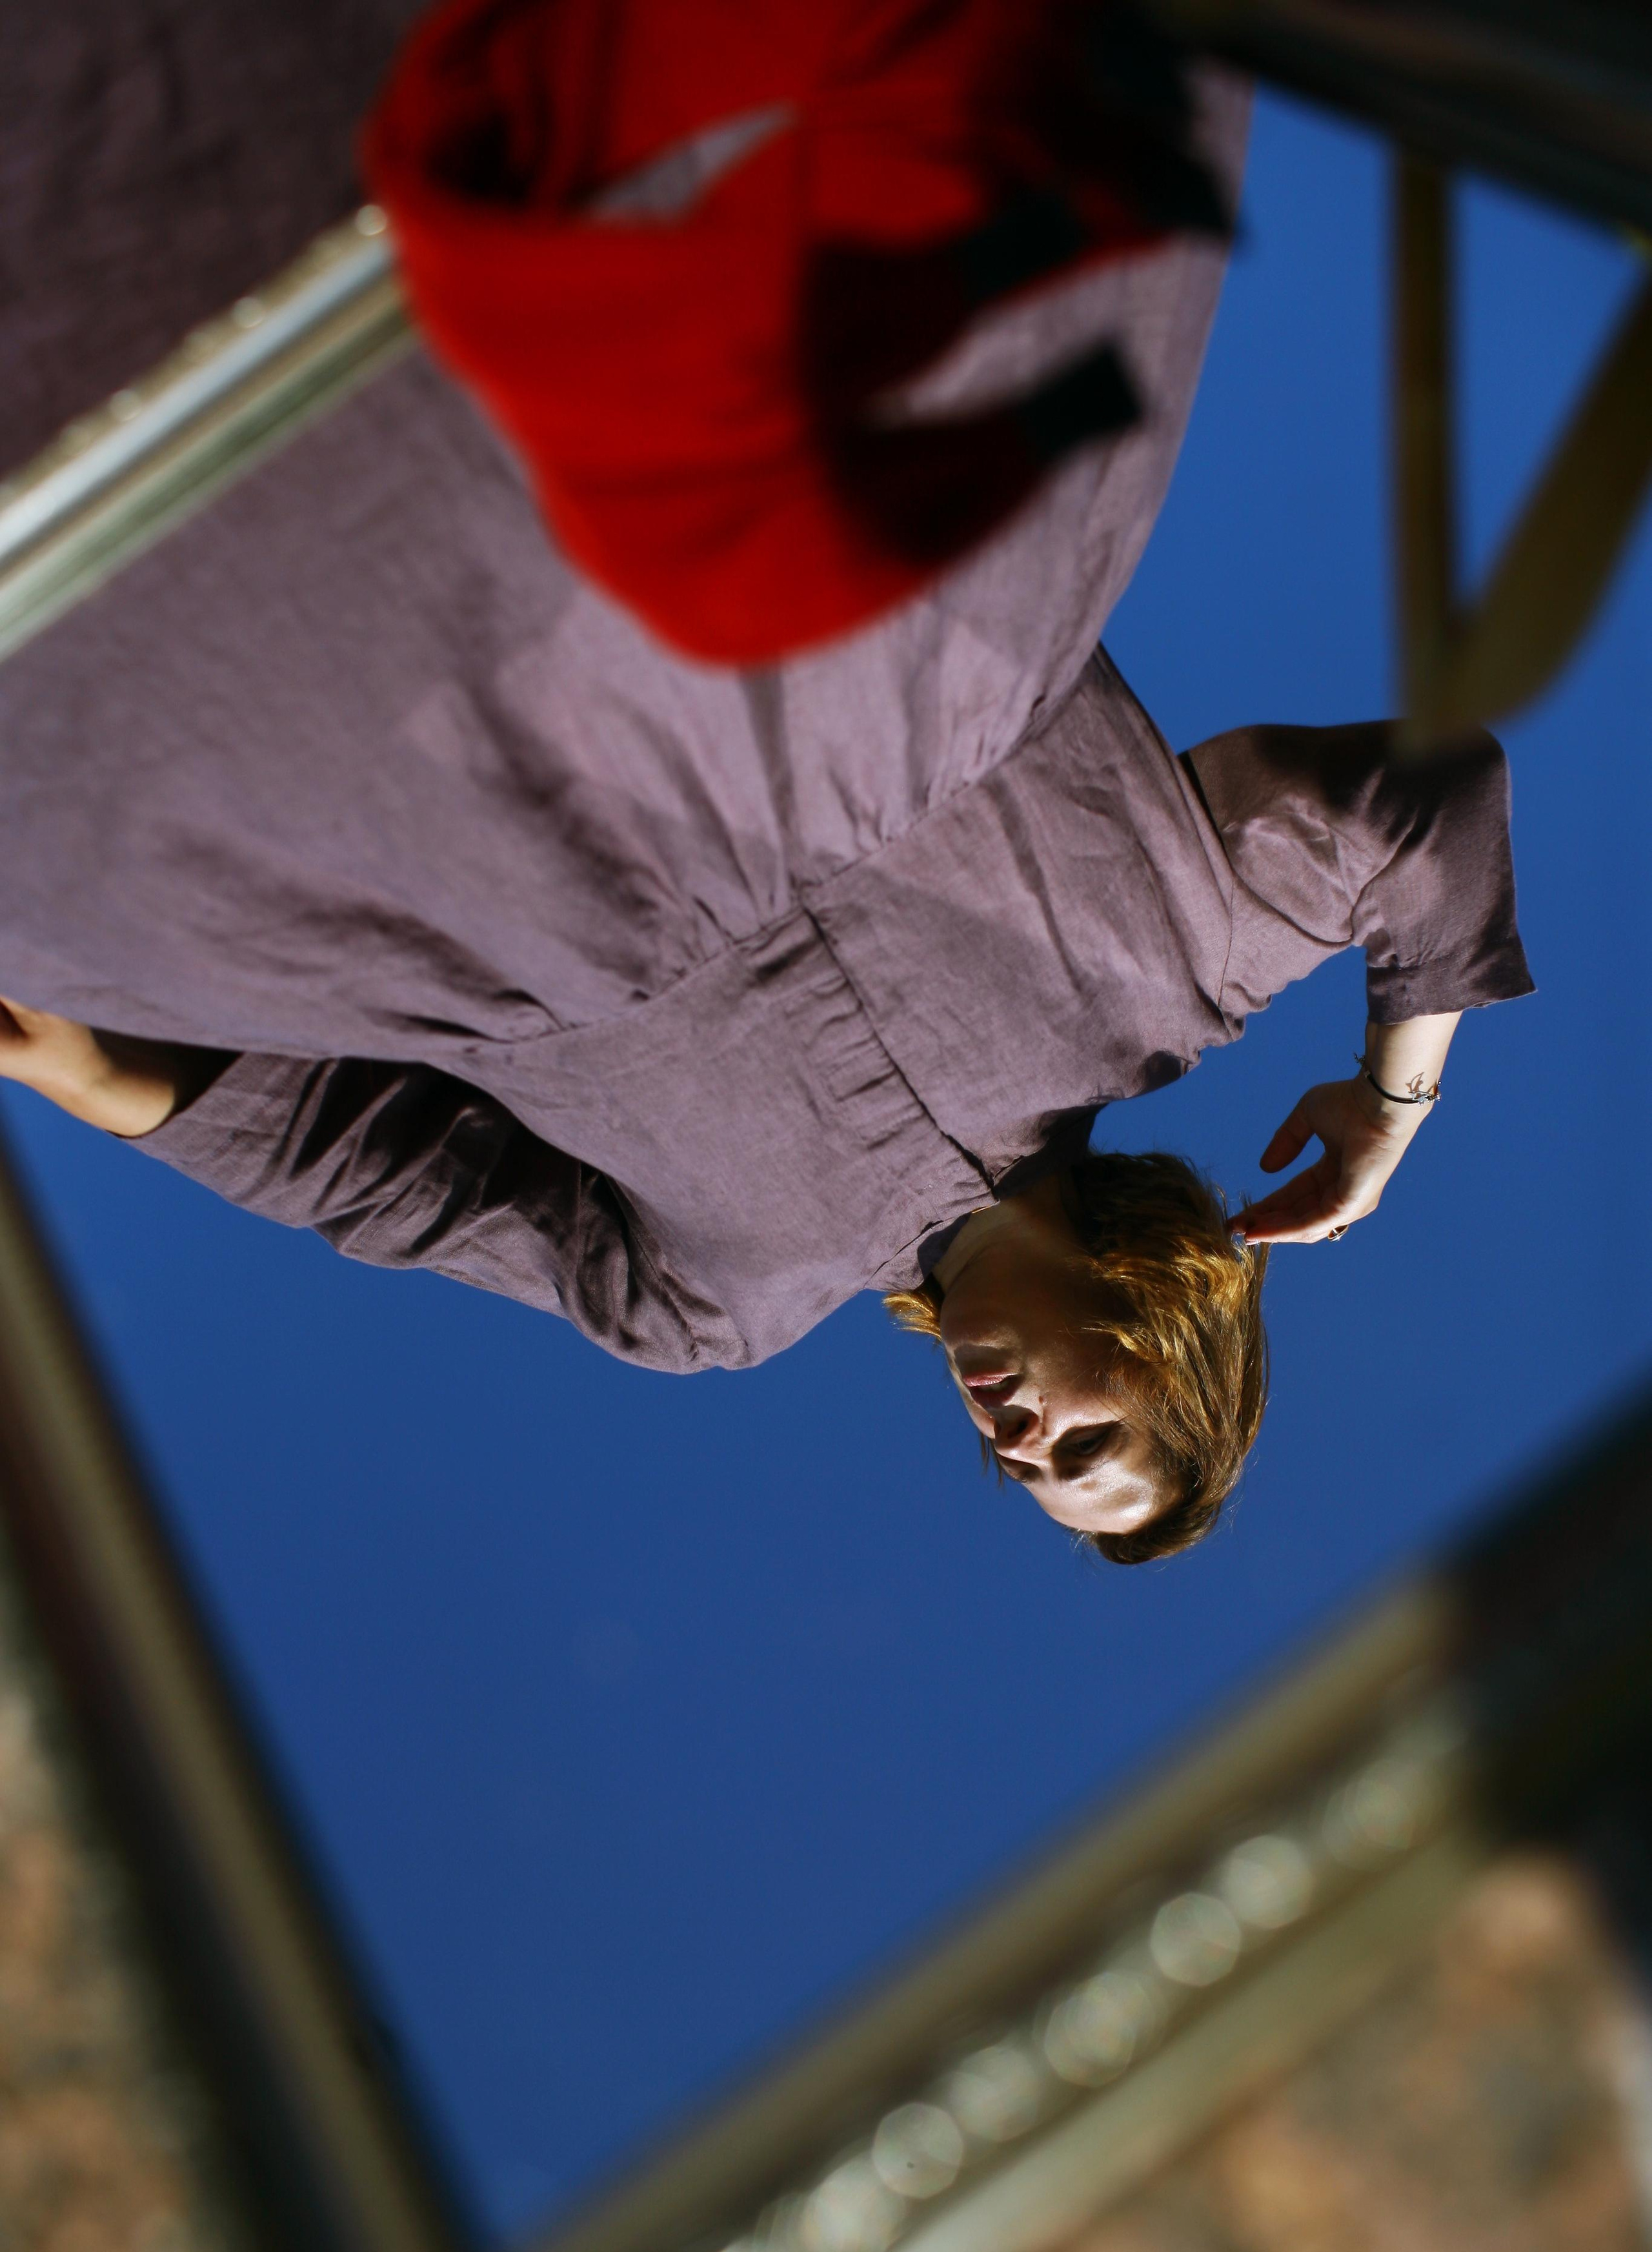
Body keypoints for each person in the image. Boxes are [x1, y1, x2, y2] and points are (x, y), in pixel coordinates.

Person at [0, 0, 1531, 1563]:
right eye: (1090, 1438)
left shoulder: (710, 1307)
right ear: (1162, 1336)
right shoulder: (1176, 974)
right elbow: (1421, 808)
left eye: (1024, 1473)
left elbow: (382, 1176)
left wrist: (96, 1076)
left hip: (386, 791)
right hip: (757, 544)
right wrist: (1389, 1090)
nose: (1016, 1436)